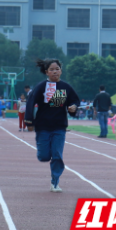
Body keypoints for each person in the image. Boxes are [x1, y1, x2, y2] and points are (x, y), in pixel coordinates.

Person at [25, 58, 80, 193]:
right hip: (43, 126)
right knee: (44, 156)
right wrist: (29, 121)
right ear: (46, 72)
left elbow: (75, 101)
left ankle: (55, 181)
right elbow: (30, 102)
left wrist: (73, 107)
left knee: (57, 155)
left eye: (57, 69)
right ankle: (45, 155)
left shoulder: (66, 87)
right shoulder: (41, 87)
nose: (55, 72)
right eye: (51, 70)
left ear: (61, 71)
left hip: (59, 127)